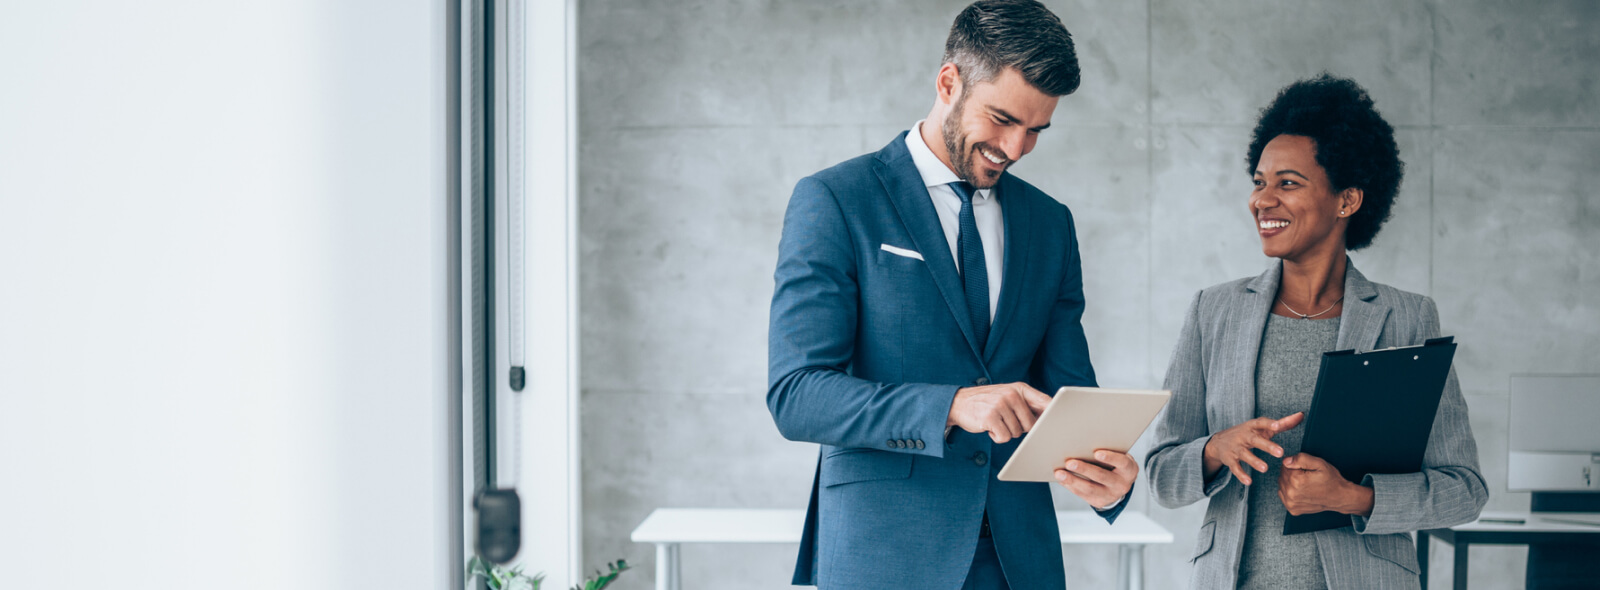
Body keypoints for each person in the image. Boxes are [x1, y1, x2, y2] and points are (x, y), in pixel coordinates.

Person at [766, 2, 1137, 588]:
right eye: (1002, 119)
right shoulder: (837, 199)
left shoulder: (1050, 224)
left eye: (1036, 130)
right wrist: (952, 404)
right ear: (948, 82)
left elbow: (1069, 391)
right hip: (886, 552)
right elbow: (797, 394)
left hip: (1019, 559)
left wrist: (1108, 474)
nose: (1015, 148)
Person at [1143, 73, 1488, 589]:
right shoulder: (1213, 312)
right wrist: (1217, 448)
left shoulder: (1408, 318)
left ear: (1346, 201)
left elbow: (1464, 489)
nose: (1262, 200)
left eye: (1288, 183)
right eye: (1259, 182)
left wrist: (1353, 498)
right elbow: (1161, 476)